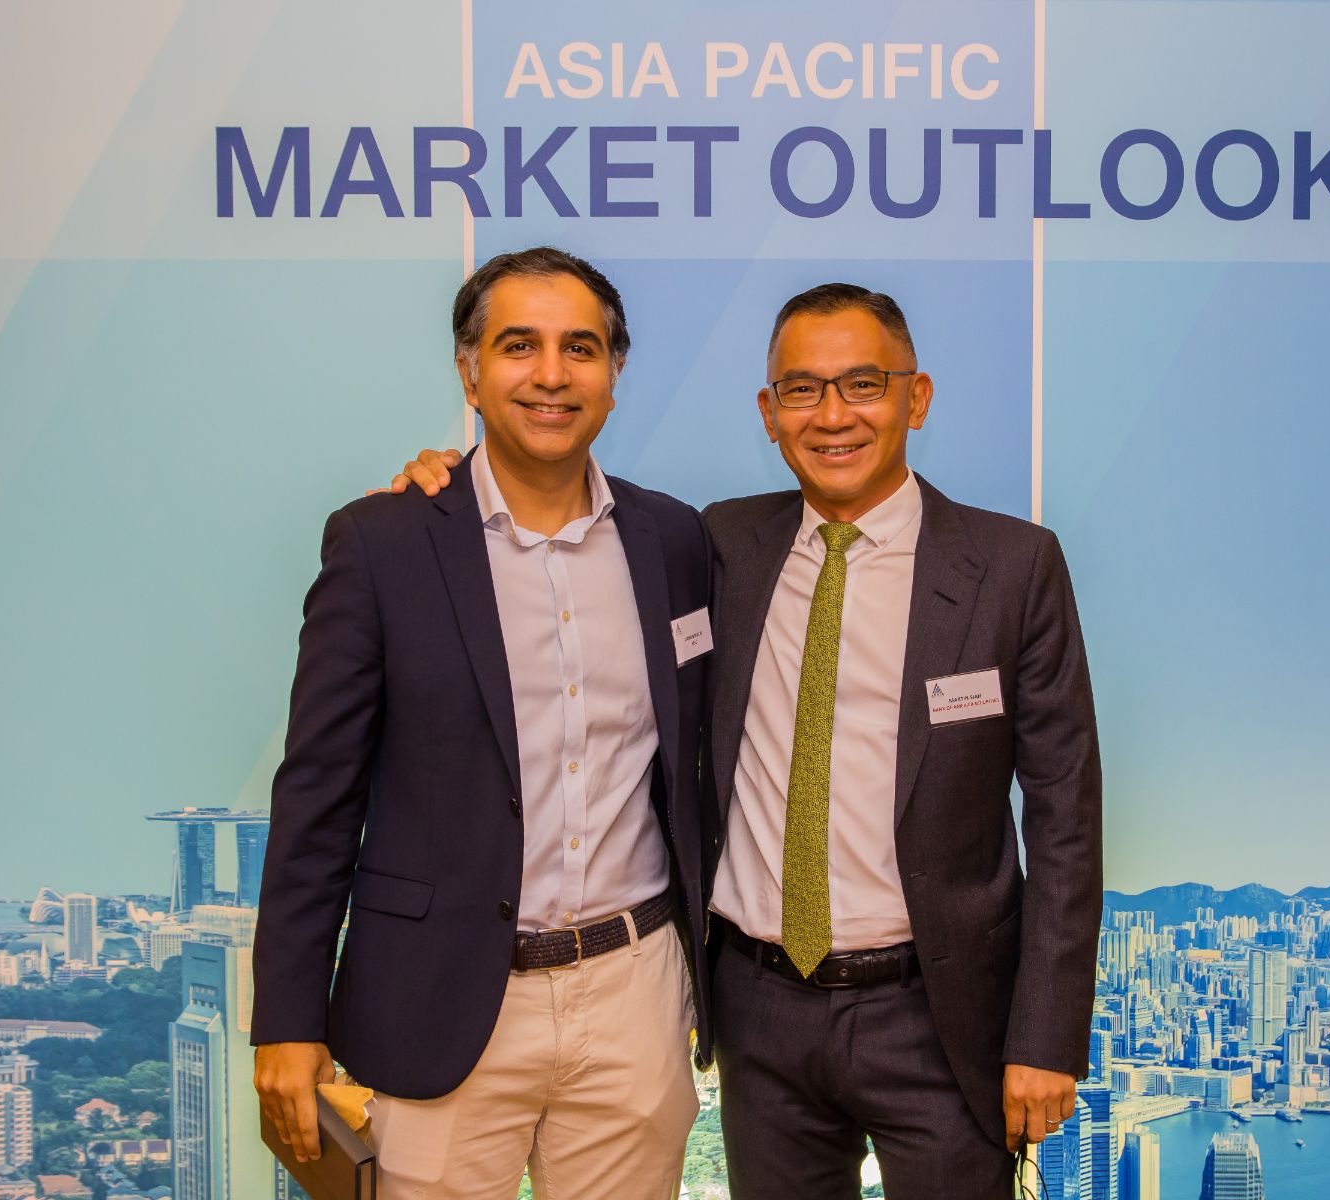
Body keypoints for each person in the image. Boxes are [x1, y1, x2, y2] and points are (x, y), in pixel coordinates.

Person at [391, 282, 1102, 1199]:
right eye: (802, 390)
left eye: (863, 384)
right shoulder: (719, 545)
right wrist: (438, 494)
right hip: (760, 1014)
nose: (832, 415)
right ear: (769, 414)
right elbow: (552, 518)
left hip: (939, 1013)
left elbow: (1066, 821)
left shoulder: (1013, 567)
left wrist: (1045, 1037)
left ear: (916, 397)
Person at [253, 246, 712, 1200]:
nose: (551, 374)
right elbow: (317, 798)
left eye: (580, 348)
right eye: (518, 346)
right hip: (439, 997)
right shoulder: (383, 543)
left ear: (615, 372)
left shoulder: (674, 540)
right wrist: (287, 1019)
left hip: (634, 996)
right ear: (469, 372)